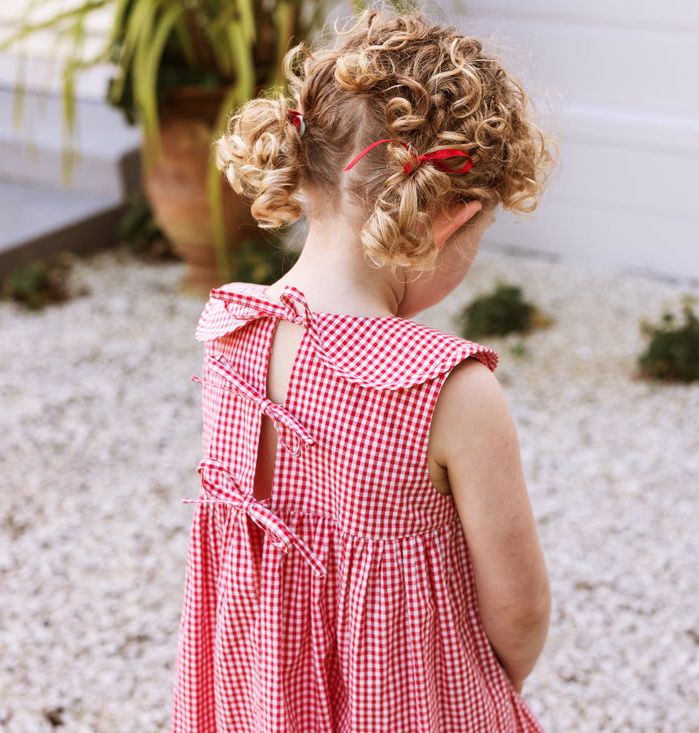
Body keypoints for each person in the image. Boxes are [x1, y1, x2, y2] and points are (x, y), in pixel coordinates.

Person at [172, 9, 554, 731]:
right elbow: (520, 604)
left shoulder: (230, 331)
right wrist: (494, 688)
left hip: (259, 697)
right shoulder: (447, 386)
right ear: (450, 218)